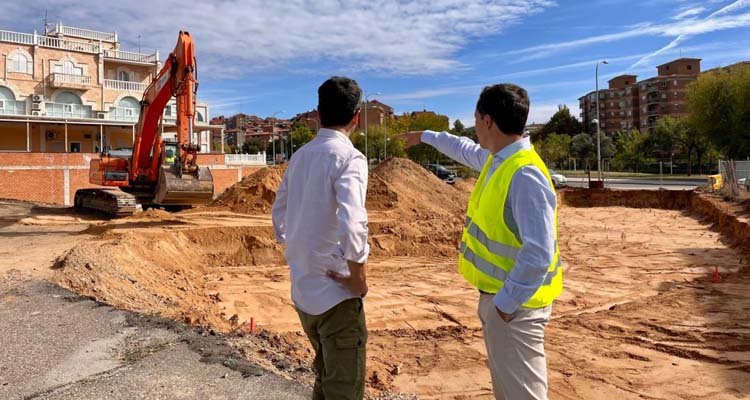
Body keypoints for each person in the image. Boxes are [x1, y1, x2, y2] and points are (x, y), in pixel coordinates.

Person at [402, 83, 563, 400]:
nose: (474, 127)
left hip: (517, 309)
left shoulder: (524, 174)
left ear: (487, 120)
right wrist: (424, 136)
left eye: (476, 119)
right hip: (505, 303)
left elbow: (539, 253)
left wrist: (503, 306)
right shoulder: (499, 160)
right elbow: (462, 148)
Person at [272, 76, 369, 400]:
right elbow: (354, 222)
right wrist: (358, 277)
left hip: (304, 294)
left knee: (325, 380)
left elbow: (279, 213)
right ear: (356, 116)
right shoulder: (349, 159)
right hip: (336, 299)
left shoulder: (300, 157)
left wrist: (300, 253)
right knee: (343, 389)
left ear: (317, 113)